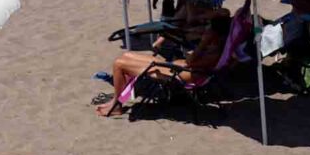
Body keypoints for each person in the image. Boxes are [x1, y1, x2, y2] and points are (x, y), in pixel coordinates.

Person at [96, 10, 231, 117]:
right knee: (126, 55)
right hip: (173, 68)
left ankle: (117, 105)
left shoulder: (214, 53)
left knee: (119, 64)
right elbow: (224, 12)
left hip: (176, 75)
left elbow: (190, 62)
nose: (206, 29)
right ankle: (118, 98)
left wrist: (202, 44)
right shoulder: (218, 45)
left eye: (209, 28)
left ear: (214, 34)